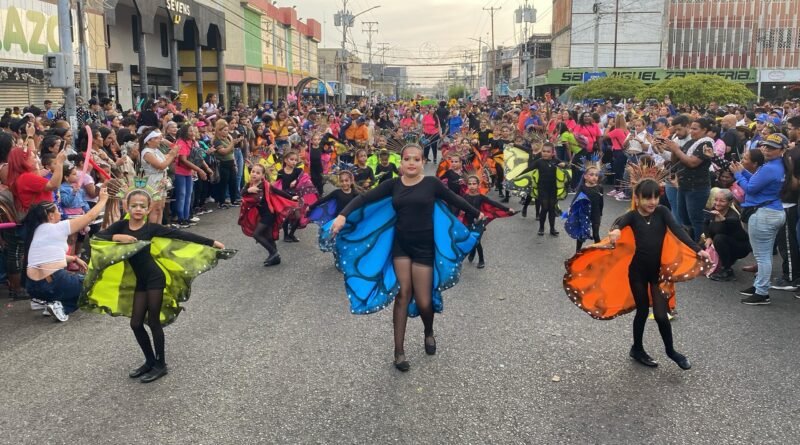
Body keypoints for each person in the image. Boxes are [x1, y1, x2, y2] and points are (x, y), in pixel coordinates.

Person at [329, 144, 484, 372]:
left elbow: (456, 200)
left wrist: (477, 213)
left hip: (424, 248)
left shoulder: (431, 184)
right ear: (401, 162)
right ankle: (399, 352)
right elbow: (363, 199)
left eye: (416, 159)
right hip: (401, 246)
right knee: (403, 294)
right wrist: (342, 216)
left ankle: (428, 331)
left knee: (423, 301)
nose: (411, 162)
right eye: (407, 159)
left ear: (423, 162)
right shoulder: (393, 185)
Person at [90, 190, 226, 383]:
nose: (138, 209)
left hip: (155, 279)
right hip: (141, 281)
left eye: (142, 206)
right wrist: (117, 237)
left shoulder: (151, 228)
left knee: (153, 322)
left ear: (148, 209)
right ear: (127, 207)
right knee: (136, 323)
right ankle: (149, 361)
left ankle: (160, 365)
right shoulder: (120, 226)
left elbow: (180, 234)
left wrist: (211, 242)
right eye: (134, 205)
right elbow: (97, 237)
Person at [607, 179, 708, 370]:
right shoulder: (632, 216)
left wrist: (697, 249)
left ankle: (671, 352)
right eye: (647, 198)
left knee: (661, 315)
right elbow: (619, 224)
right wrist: (616, 231)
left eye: (655, 197)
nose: (652, 202)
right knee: (643, 311)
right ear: (637, 198)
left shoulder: (662, 212)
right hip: (637, 272)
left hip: (658, 273)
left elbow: (677, 230)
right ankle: (637, 349)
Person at [23, 188, 109, 321]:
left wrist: (74, 259)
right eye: (57, 210)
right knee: (91, 281)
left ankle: (50, 303)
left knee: (71, 280)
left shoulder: (37, 231)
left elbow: (50, 256)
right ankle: (62, 307)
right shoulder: (57, 227)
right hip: (52, 284)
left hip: (33, 287)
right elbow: (89, 217)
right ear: (50, 216)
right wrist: (103, 200)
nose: (60, 212)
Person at [730, 133, 791, 305]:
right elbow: (758, 182)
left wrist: (738, 175)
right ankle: (759, 286)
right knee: (764, 255)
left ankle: (762, 292)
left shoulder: (771, 167)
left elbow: (751, 188)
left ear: (782, 150)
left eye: (772, 148)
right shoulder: (777, 165)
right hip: (773, 211)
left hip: (765, 213)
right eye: (766, 146)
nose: (766, 150)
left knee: (762, 256)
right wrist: (743, 171)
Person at [657, 117, 714, 242]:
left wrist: (676, 149)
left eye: (695, 129)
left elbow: (692, 163)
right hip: (683, 185)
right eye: (691, 128)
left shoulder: (706, 144)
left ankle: (698, 246)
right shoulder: (691, 142)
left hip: (696, 187)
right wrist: (672, 149)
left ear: (704, 130)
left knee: (695, 219)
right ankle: (688, 243)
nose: (692, 131)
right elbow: (675, 161)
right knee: (683, 218)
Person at [240, 164, 298, 266]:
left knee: (257, 234)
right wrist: (248, 190)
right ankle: (275, 258)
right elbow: (241, 193)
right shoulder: (249, 184)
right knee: (268, 236)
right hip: (261, 214)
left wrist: (291, 198)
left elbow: (278, 191)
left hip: (269, 214)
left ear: (262, 175)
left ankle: (274, 253)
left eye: (258, 173)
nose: (254, 174)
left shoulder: (265, 185)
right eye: (253, 171)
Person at [462, 175, 515, 269]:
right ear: (467, 185)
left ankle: (481, 260)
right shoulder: (464, 197)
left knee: (477, 241)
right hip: (468, 222)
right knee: (471, 239)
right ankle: (472, 252)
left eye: (474, 184)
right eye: (469, 184)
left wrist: (507, 209)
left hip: (479, 222)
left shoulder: (481, 197)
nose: (472, 186)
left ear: (478, 185)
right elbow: (457, 206)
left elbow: (494, 203)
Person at [703, 188, 750, 282]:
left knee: (719, 238)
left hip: (739, 246)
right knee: (700, 247)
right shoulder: (713, 210)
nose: (717, 203)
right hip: (722, 243)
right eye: (716, 200)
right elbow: (705, 224)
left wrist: (723, 220)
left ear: (729, 202)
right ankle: (722, 261)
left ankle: (727, 270)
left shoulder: (733, 216)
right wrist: (708, 237)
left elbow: (738, 235)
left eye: (722, 201)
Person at [139, 128, 179, 224]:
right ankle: (152, 229)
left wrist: (172, 150)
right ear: (148, 141)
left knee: (161, 207)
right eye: (156, 138)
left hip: (161, 179)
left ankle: (159, 228)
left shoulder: (156, 150)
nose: (159, 140)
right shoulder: (147, 152)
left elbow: (166, 158)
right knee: (155, 207)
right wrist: (172, 154)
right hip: (153, 180)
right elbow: (161, 166)